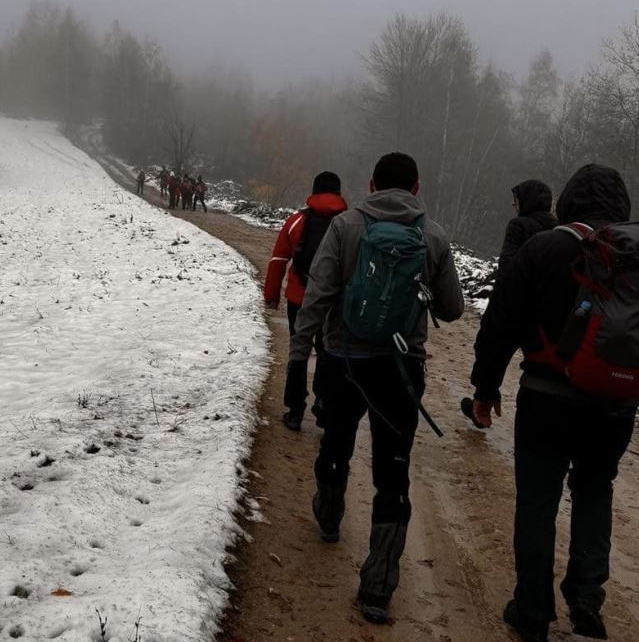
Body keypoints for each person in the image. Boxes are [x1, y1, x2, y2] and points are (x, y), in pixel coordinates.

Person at [288, 153, 463, 623]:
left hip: (343, 361)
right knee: (393, 470)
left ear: (370, 183)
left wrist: (299, 354)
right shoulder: (434, 235)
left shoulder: (346, 227)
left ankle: (329, 514)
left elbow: (319, 294)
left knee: (336, 442)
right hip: (402, 370)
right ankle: (378, 587)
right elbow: (452, 310)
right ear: (417, 187)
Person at [469, 164, 636, 642]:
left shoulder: (542, 247)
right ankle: (587, 602)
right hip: (615, 401)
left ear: (567, 201)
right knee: (595, 490)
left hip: (547, 396)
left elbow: (499, 322)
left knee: (538, 502)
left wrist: (486, 388)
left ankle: (533, 609)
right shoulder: (633, 256)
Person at [263, 171, 347, 430]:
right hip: (333, 302)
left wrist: (272, 293)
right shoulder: (348, 224)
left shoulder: (296, 221)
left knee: (298, 349)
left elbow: (278, 259)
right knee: (328, 351)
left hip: (299, 298)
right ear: (338, 193)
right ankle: (323, 404)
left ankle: (294, 410)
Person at [499, 179, 556, 273]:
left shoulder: (518, 226)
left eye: (516, 199)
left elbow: (507, 267)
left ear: (527, 200)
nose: (513, 203)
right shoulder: (557, 227)